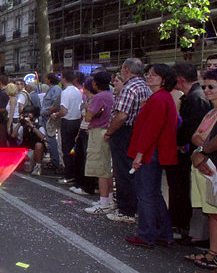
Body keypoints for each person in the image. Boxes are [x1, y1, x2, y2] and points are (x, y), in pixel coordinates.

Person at [124, 64, 178, 248]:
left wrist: (139, 155)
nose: (149, 77)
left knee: (145, 194)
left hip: (149, 152)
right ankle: (163, 233)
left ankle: (147, 234)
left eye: (154, 75)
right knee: (154, 194)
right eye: (149, 74)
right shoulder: (162, 98)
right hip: (155, 151)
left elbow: (150, 130)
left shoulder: (158, 99)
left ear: (164, 79)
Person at [166, 63, 212, 238]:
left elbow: (192, 129)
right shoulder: (191, 97)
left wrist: (179, 142)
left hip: (193, 153)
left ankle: (183, 225)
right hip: (190, 151)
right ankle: (181, 224)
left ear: (180, 79)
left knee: (184, 190)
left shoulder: (196, 98)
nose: (208, 90)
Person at [104, 58, 152, 224]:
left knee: (123, 171)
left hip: (125, 132)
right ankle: (135, 208)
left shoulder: (129, 87)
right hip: (138, 131)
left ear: (126, 70)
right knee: (133, 171)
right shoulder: (145, 87)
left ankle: (126, 210)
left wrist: (109, 132)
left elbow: (122, 115)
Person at [188, 70, 217, 273]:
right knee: (214, 214)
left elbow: (214, 139)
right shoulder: (211, 112)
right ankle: (215, 256)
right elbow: (196, 136)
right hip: (208, 167)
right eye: (205, 87)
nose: (207, 91)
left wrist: (202, 151)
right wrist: (200, 150)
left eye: (212, 87)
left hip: (215, 168)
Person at [83, 71, 116, 214]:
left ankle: (104, 202)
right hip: (108, 131)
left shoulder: (98, 97)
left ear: (95, 83)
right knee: (106, 167)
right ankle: (109, 199)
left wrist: (87, 110)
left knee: (100, 168)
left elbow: (88, 117)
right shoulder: (111, 95)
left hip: (98, 132)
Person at [55, 70, 83, 185]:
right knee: (74, 150)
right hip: (77, 121)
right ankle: (74, 173)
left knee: (66, 149)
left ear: (64, 78)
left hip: (68, 122)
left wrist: (54, 115)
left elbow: (64, 110)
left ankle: (69, 175)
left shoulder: (65, 92)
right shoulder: (77, 91)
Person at [40, 73, 62, 172]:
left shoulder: (55, 89)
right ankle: (54, 160)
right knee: (49, 139)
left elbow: (56, 103)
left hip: (50, 117)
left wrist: (49, 112)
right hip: (47, 116)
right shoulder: (52, 88)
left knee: (52, 138)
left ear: (49, 79)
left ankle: (56, 161)